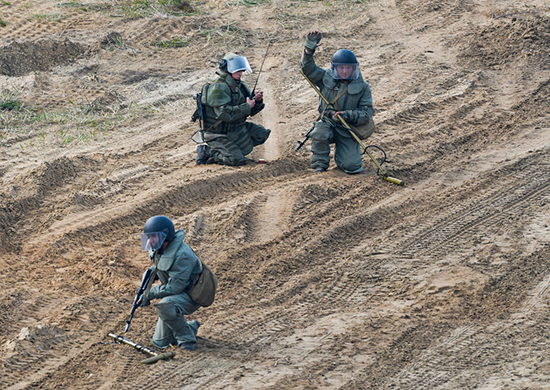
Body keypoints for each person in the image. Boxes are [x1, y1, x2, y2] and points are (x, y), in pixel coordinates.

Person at [301, 31, 375, 174]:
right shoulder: (325, 77)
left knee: (352, 167)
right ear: (335, 67)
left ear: (354, 68)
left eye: (348, 68)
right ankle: (320, 164)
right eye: (341, 67)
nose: (345, 71)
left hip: (348, 127)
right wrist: (309, 50)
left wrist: (347, 115)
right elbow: (307, 70)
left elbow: (367, 113)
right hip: (328, 122)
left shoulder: (363, 87)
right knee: (319, 132)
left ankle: (342, 158)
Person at [136, 215, 202, 351]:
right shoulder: (160, 249)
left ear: (165, 236)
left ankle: (186, 338)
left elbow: (175, 288)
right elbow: (157, 267)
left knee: (165, 305)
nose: (150, 240)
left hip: (191, 294)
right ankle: (190, 326)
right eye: (148, 236)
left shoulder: (182, 255)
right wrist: (145, 285)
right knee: (160, 342)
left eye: (154, 236)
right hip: (176, 293)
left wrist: (149, 294)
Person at [196, 53, 271, 166]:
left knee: (261, 134)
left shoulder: (240, 86)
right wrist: (246, 106)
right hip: (218, 133)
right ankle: (209, 152)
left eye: (241, 70)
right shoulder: (218, 87)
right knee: (235, 160)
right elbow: (223, 114)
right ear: (227, 70)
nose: (240, 73)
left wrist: (257, 102)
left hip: (235, 129)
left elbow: (249, 112)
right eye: (237, 71)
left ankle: (232, 150)